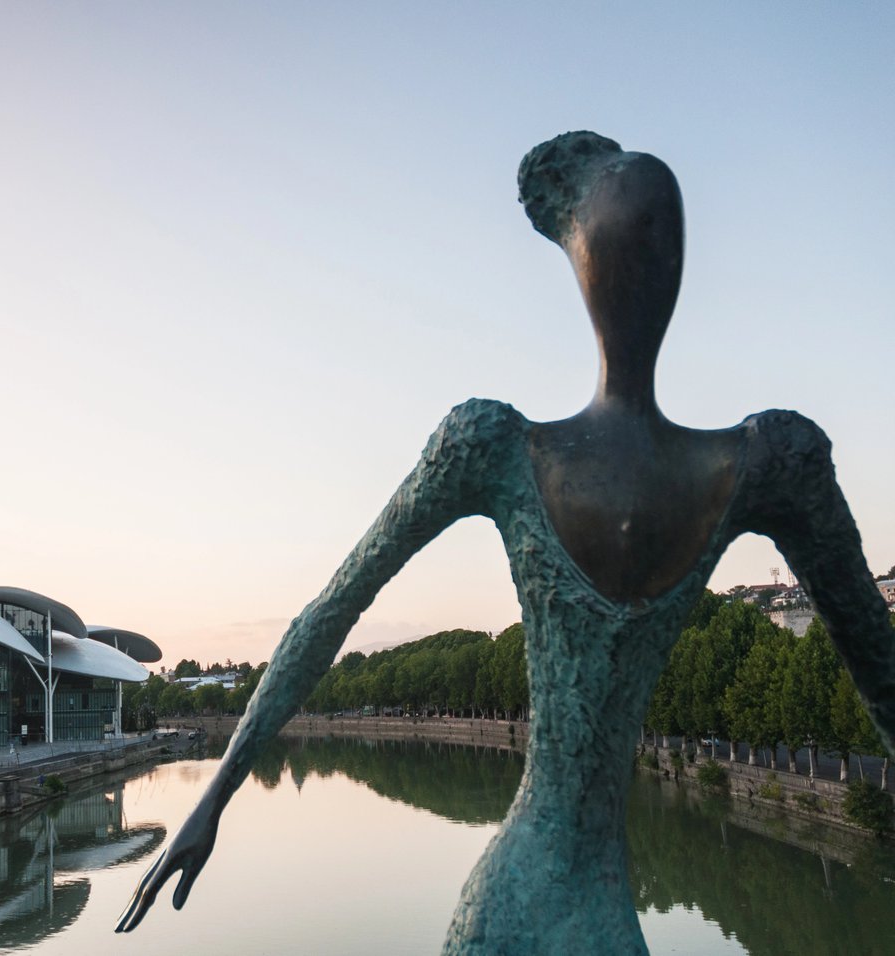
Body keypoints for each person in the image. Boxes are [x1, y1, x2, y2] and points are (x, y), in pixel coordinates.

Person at [116, 132, 895, 954]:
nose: (644, 270)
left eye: (652, 245)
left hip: (525, 898)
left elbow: (329, 613)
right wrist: (213, 795)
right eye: (632, 247)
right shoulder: (761, 463)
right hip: (554, 898)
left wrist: (218, 794)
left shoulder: (508, 447)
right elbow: (882, 681)